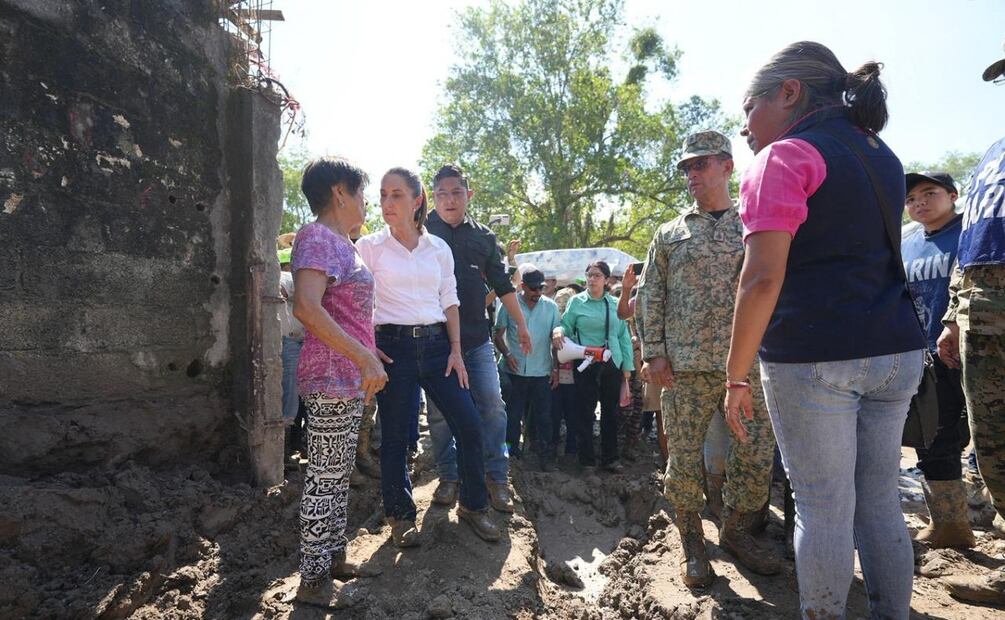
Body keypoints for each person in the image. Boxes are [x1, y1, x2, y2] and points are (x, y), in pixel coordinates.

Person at [724, 42, 926, 618]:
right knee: (881, 504)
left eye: (748, 109)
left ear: (788, 93)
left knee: (822, 508)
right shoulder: (879, 152)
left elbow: (760, 280)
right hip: (895, 350)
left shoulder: (785, 157)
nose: (745, 128)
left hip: (814, 358)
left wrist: (736, 377)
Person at [635, 130, 780, 588]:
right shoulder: (670, 234)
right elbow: (649, 296)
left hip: (747, 367)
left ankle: (736, 532)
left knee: (755, 456)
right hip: (685, 369)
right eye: (686, 167)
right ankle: (693, 543)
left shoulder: (753, 224)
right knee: (683, 458)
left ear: (727, 167)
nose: (692, 174)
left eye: (701, 164)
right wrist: (653, 353)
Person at [357, 167, 501, 547]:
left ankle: (474, 505)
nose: (387, 203)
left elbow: (450, 300)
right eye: (384, 194)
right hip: (393, 349)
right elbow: (357, 303)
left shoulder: (438, 248)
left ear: (417, 200)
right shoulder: (369, 247)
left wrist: (456, 350)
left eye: (397, 195)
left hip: (439, 349)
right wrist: (368, 347)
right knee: (395, 439)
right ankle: (400, 517)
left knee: (469, 425)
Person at [288, 157, 387, 606]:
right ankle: (311, 579)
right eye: (362, 191)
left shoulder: (344, 244)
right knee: (325, 476)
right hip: (331, 376)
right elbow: (307, 308)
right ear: (340, 192)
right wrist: (364, 355)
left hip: (348, 375)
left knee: (338, 471)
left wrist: (369, 350)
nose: (367, 202)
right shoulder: (317, 237)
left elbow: (344, 310)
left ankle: (332, 556)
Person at [936, 41, 1005, 604]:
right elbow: (972, 246)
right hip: (982, 323)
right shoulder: (991, 156)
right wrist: (956, 315)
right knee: (993, 446)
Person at [425, 164, 531, 514]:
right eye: (441, 193)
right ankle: (449, 477)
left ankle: (496, 477)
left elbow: (503, 286)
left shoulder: (484, 238)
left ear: (468, 195)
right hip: (435, 342)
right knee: (440, 416)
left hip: (477, 341)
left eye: (456, 192)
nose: (449, 200)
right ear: (433, 196)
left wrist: (522, 326)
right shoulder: (420, 231)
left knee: (493, 408)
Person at [901, 171, 975, 549]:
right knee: (933, 438)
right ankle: (950, 524)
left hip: (976, 353)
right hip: (926, 357)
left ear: (952, 195)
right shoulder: (906, 243)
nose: (919, 203)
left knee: (988, 440)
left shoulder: (972, 234)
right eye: (911, 199)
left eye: (929, 193)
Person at [553, 261, 634, 473]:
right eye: (589, 275)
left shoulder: (615, 303)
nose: (591, 279)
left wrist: (627, 367)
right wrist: (558, 331)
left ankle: (610, 458)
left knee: (611, 413)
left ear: (606, 280)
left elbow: (623, 336)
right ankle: (586, 460)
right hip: (585, 364)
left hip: (611, 363)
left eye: (596, 275)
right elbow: (566, 326)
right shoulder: (576, 303)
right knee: (585, 413)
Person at [494, 266, 561, 471]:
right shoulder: (509, 305)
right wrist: (507, 354)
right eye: (532, 289)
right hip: (514, 373)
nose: (537, 293)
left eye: (540, 288)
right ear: (522, 286)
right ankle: (510, 456)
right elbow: (497, 335)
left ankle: (545, 457)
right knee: (511, 417)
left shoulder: (551, 307)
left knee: (544, 418)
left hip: (542, 372)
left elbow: (555, 339)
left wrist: (556, 369)